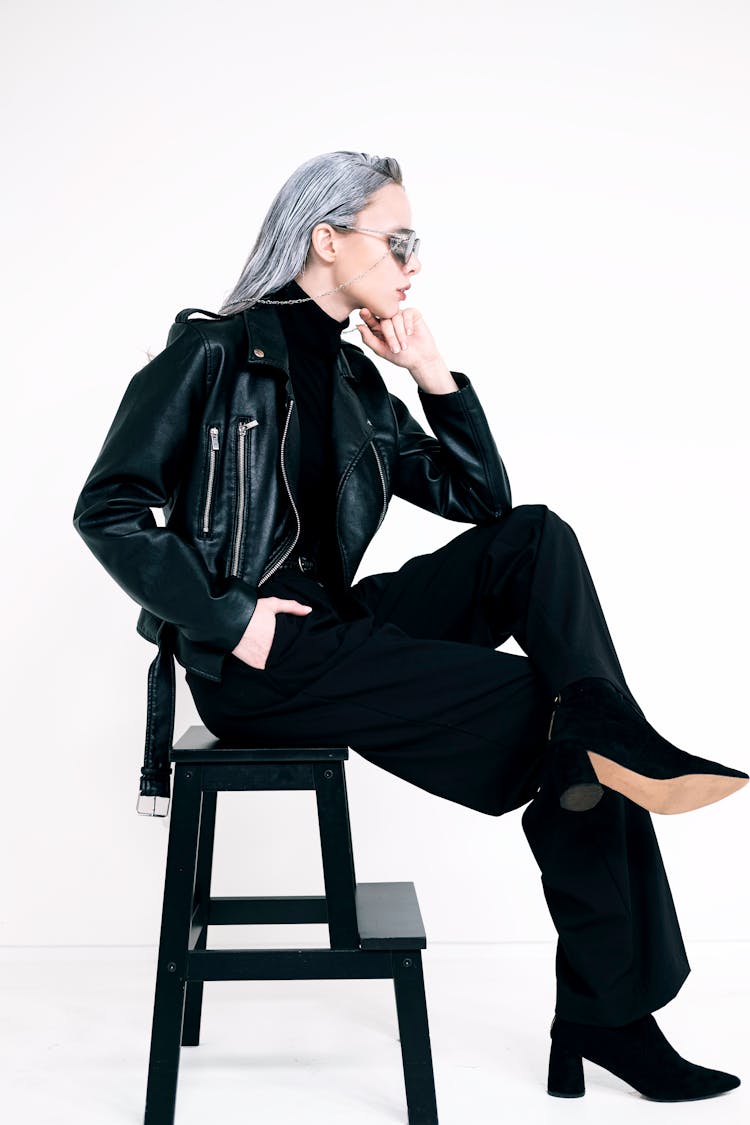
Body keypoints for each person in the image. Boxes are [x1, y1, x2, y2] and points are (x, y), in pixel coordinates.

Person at [73, 150, 747, 1102]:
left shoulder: (354, 381)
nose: (412, 263)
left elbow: (482, 498)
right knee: (569, 731)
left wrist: (431, 372)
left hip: (340, 627)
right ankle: (609, 1013)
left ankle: (598, 729)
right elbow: (108, 508)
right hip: (260, 661)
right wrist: (230, 620)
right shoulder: (210, 353)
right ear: (326, 237)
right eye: (398, 240)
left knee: (534, 545)